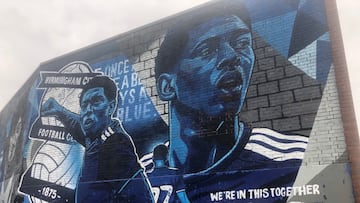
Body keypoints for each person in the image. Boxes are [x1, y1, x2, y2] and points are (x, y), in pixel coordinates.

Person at [154, 1, 308, 202]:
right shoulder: (139, 174)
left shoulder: (294, 162)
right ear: (168, 87)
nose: (232, 56)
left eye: (242, 43)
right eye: (206, 51)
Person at [41, 75, 154, 203]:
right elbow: (79, 126)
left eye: (96, 101)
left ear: (111, 107)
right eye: (84, 106)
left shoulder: (115, 143)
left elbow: (137, 197)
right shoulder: (96, 136)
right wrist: (59, 111)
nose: (88, 110)